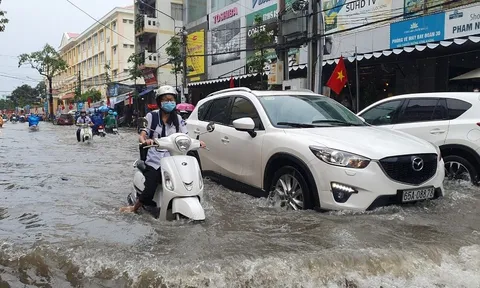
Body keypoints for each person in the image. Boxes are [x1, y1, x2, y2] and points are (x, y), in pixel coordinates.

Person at [120, 85, 206, 214]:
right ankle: (135, 207)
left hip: (174, 158)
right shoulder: (151, 117)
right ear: (159, 102)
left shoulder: (178, 119)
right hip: (155, 159)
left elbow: (185, 136)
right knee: (151, 183)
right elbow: (142, 135)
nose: (169, 103)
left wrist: (197, 142)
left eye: (172, 100)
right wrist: (146, 141)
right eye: (166, 100)